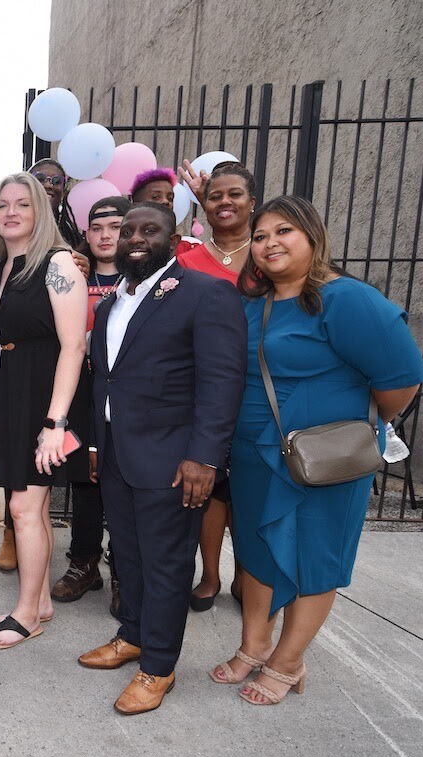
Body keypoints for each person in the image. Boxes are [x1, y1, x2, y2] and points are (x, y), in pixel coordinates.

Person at [213, 196, 423, 705]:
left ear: (313, 236)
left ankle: (288, 662)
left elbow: (401, 382)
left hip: (322, 459)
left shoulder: (347, 299)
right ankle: (255, 644)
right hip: (253, 452)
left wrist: (348, 426)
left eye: (283, 232)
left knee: (315, 556)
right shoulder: (251, 304)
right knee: (257, 549)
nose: (269, 244)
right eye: (260, 237)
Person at [76, 203, 246, 714]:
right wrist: (93, 445)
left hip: (174, 462)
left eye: (148, 230)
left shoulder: (205, 294)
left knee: (167, 565)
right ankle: (132, 636)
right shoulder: (110, 305)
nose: (133, 238)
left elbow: (221, 383)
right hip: (116, 457)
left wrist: (204, 458)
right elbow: (102, 382)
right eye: (126, 230)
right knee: (128, 558)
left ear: (174, 239)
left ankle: (159, 667)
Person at [0, 174, 87, 649]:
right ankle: (38, 601)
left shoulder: (58, 263)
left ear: (41, 210)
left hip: (44, 400)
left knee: (22, 507)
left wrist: (54, 424)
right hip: (9, 393)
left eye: (22, 203)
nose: (11, 212)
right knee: (32, 508)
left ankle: (26, 615)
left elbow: (74, 346)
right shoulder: (2, 264)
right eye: (2, 206)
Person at [176, 160, 259, 609]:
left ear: (252, 202)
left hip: (260, 389)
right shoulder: (186, 260)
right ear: (203, 206)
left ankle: (248, 573)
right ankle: (209, 576)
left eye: (235, 195)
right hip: (203, 388)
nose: (225, 203)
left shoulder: (268, 253)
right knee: (210, 489)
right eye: (214, 196)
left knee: (250, 488)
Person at [50, 196, 130, 616]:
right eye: (97, 228)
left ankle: (121, 569)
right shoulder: (71, 274)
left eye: (115, 227)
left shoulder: (144, 279)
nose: (105, 235)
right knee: (84, 479)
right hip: (81, 389)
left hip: (128, 396)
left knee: (122, 481)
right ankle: (84, 563)